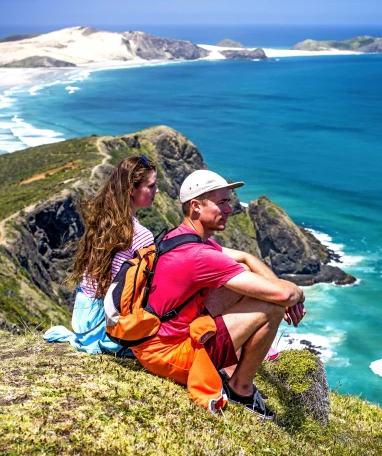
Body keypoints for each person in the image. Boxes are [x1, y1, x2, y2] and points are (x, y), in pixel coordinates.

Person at [131, 169, 306, 418]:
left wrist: (283, 292)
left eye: (229, 202)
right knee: (273, 307)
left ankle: (232, 367)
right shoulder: (200, 256)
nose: (229, 209)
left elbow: (246, 258)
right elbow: (284, 296)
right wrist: (298, 295)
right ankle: (241, 389)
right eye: (221, 202)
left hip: (155, 341)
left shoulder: (181, 238)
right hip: (169, 355)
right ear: (196, 207)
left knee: (245, 273)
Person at [43, 155, 159, 354]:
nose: (156, 191)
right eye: (151, 186)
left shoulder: (103, 220)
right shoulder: (140, 236)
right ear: (132, 190)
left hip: (83, 321)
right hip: (104, 327)